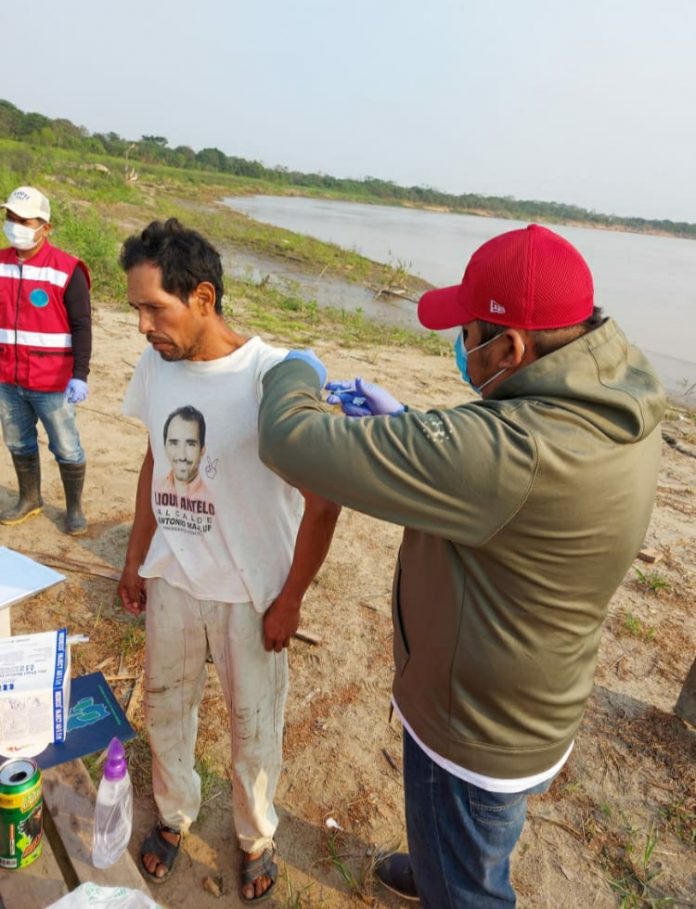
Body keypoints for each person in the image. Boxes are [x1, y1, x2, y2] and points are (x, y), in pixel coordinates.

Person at [256, 224, 666, 908]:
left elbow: (289, 438)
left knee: (469, 885)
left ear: (511, 347)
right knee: (477, 838)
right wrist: (411, 420)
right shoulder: (616, 404)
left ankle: (452, 882)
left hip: (474, 732)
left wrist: (295, 366)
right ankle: (441, 863)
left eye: (470, 334)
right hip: (536, 694)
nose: (460, 348)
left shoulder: (510, 452)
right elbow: (511, 490)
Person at [117, 218, 340, 903]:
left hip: (252, 591)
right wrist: (135, 558)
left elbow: (324, 496)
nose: (144, 327)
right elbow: (156, 457)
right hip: (174, 579)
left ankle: (254, 834)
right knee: (165, 707)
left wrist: (292, 598)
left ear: (205, 298)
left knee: (254, 724)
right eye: (137, 311)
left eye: (156, 308)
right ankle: (174, 813)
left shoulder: (272, 378)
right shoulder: (156, 364)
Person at [0, 186, 91, 534]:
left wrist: (79, 374)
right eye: (10, 218)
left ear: (45, 227)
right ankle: (29, 499)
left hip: (52, 382)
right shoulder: (1, 263)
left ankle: (74, 509)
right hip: (8, 378)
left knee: (66, 446)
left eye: (24, 220)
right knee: (17, 441)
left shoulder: (68, 270)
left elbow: (82, 325)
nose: (14, 225)